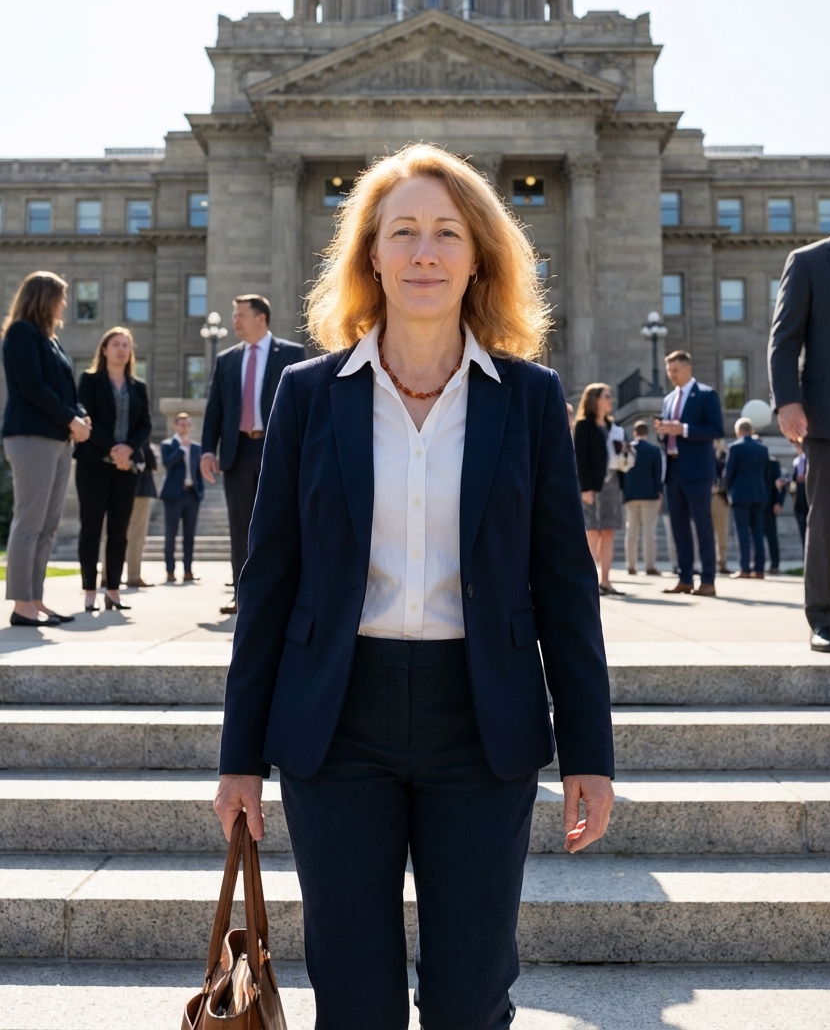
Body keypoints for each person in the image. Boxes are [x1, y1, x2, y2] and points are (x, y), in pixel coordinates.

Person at [213, 145, 614, 1030]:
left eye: (446, 232)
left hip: (480, 721)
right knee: (354, 1004)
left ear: (479, 256)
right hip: (336, 721)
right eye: (403, 233)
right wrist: (239, 752)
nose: (424, 252)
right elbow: (268, 583)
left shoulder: (529, 399)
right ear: (371, 256)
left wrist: (589, 748)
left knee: (470, 1000)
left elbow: (562, 586)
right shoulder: (309, 396)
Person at [769, 180, 830, 652]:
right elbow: (784, 341)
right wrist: (787, 401)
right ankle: (821, 621)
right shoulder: (810, 261)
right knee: (827, 521)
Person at [200, 295, 304, 614]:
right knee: (240, 527)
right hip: (239, 451)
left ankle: (282, 593)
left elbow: (302, 408)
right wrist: (206, 451)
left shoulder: (291, 354)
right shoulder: (227, 359)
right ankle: (243, 596)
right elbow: (214, 409)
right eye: (233, 315)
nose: (235, 321)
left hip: (278, 451)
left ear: (261, 318)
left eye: (241, 315)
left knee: (282, 524)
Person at [1, 271, 90, 627]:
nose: (65, 304)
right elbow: (33, 386)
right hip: (30, 438)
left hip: (57, 439)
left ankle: (35, 600)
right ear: (44, 297)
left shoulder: (50, 339)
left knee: (48, 524)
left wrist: (80, 415)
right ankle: (22, 604)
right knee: (29, 521)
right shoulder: (21, 333)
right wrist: (72, 419)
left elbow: (65, 389)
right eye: (61, 296)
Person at [75, 327, 151, 612]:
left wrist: (128, 449)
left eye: (126, 345)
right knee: (91, 529)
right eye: (115, 344)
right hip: (93, 465)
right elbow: (87, 418)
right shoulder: (90, 381)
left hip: (126, 468)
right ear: (104, 350)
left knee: (119, 532)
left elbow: (146, 424)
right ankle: (89, 592)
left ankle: (114, 592)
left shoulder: (137, 386)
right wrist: (113, 449)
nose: (121, 349)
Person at [654, 350, 724, 597]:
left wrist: (682, 429)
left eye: (675, 370)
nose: (671, 375)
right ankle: (685, 578)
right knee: (678, 527)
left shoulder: (706, 394)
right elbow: (670, 432)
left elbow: (716, 429)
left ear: (687, 369)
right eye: (668, 370)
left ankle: (708, 580)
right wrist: (664, 431)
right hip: (673, 471)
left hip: (697, 471)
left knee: (702, 525)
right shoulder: (668, 399)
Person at [574, 383, 627, 595]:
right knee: (592, 533)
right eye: (606, 396)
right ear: (594, 399)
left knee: (609, 532)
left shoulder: (613, 426)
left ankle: (605, 581)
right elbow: (580, 459)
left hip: (613, 485)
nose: (610, 400)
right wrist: (585, 488)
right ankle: (588, 581)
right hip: (592, 487)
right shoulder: (584, 426)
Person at [160, 412, 204, 584]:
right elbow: (167, 463)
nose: (185, 427)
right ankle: (170, 571)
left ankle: (188, 571)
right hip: (172, 496)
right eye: (181, 424)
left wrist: (200, 491)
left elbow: (198, 471)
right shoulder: (168, 444)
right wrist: (180, 449)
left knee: (189, 536)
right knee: (170, 535)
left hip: (191, 494)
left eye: (187, 424)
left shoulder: (197, 447)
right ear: (175, 426)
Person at [725, 419, 769, 579]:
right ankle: (759, 569)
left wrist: (728, 490)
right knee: (758, 532)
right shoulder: (763, 448)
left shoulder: (735, 447)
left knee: (742, 532)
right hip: (759, 493)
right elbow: (764, 472)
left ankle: (744, 568)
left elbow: (728, 473)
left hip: (740, 494)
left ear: (738, 431)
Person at [622, 420, 663, 575]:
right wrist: (659, 493)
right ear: (647, 432)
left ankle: (631, 565)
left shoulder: (628, 449)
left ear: (634, 432)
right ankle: (649, 566)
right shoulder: (654, 450)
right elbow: (658, 474)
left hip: (631, 494)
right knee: (649, 532)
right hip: (650, 494)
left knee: (631, 531)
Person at [124, 442, 158, 588]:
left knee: (110, 532)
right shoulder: (139, 431)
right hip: (139, 489)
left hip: (113, 486)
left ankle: (106, 576)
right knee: (136, 535)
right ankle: (133, 576)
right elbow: (152, 462)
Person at [763, 450, 786, 576]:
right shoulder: (751, 462)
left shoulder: (773, 463)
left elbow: (780, 484)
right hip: (755, 504)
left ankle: (774, 564)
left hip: (769, 505)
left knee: (771, 536)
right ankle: (758, 564)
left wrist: (779, 502)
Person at [711, 439, 731, 574]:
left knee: (722, 533)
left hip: (721, 497)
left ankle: (722, 563)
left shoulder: (726, 456)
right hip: (707, 497)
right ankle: (709, 563)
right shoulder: (707, 455)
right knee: (707, 534)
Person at [790, 447, 808, 552]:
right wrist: (793, 493)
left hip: (809, 497)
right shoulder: (797, 461)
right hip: (799, 498)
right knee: (802, 528)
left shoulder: (811, 459)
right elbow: (793, 480)